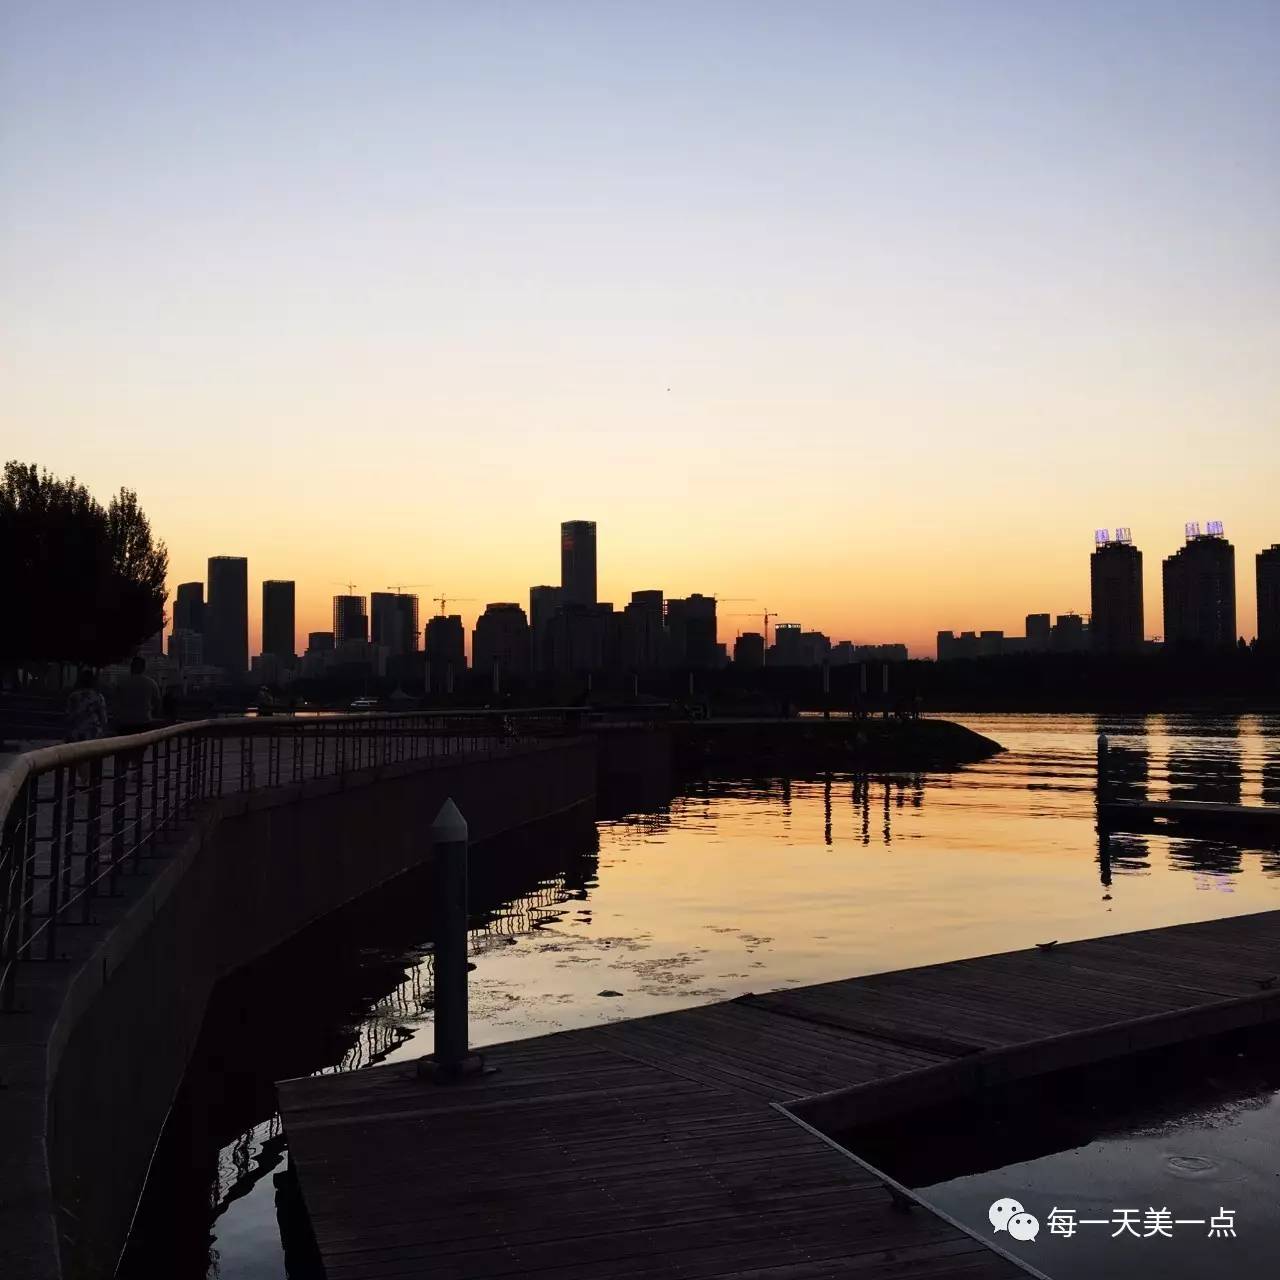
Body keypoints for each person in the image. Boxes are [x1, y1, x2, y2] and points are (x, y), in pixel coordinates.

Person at [65, 669, 109, 785]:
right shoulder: (98, 696)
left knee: (80, 757)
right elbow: (103, 716)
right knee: (93, 756)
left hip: (77, 730)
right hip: (93, 730)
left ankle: (84, 778)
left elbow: (68, 715)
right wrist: (105, 730)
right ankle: (91, 779)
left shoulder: (73, 696)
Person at [113, 655, 163, 735]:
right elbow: (157, 704)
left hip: (125, 724)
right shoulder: (151, 683)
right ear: (144, 668)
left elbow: (115, 703)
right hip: (144, 722)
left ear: (131, 667)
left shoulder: (121, 683)